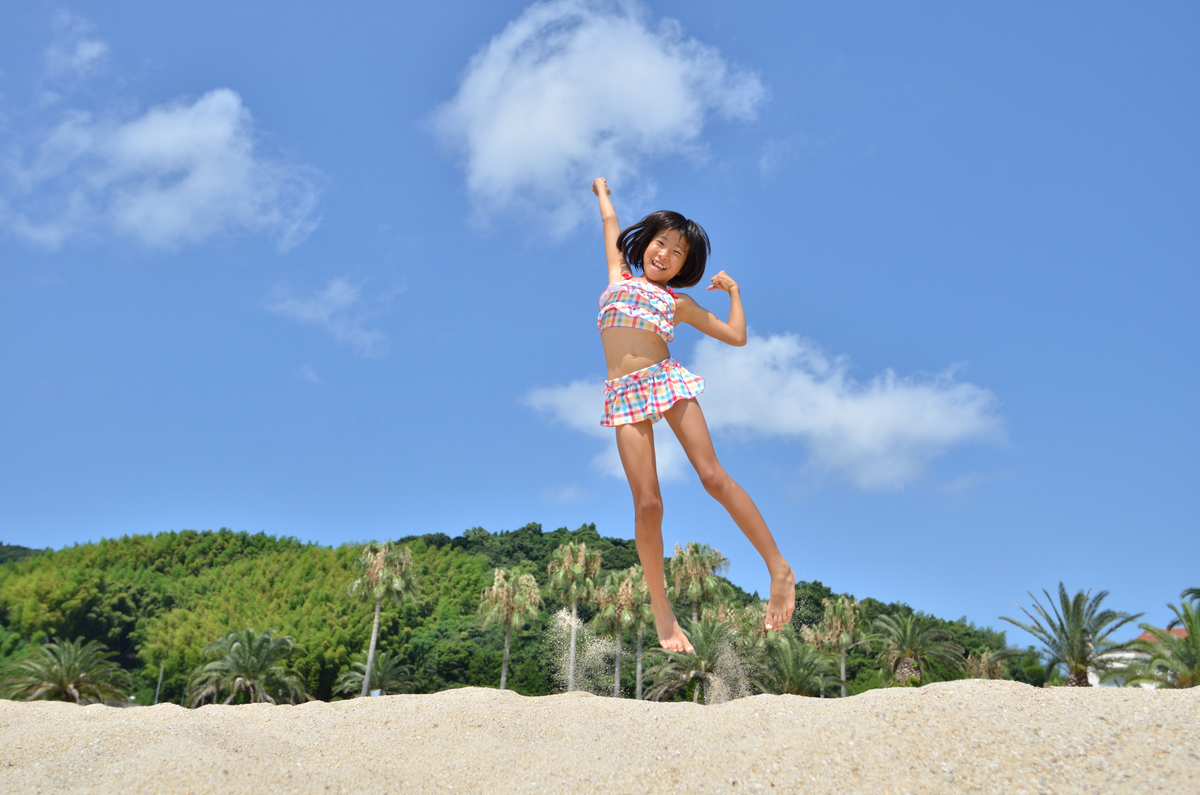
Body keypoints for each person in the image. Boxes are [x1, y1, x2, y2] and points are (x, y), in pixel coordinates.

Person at [592, 177, 795, 654]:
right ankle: (663, 613)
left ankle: (778, 567)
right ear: (646, 244)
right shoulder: (618, 277)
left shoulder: (677, 302)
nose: (664, 255)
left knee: (711, 476)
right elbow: (610, 223)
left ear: (685, 265)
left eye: (677, 252)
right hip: (623, 395)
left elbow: (736, 336)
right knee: (648, 504)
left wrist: (733, 291)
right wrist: (602, 191)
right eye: (660, 243)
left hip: (663, 380)